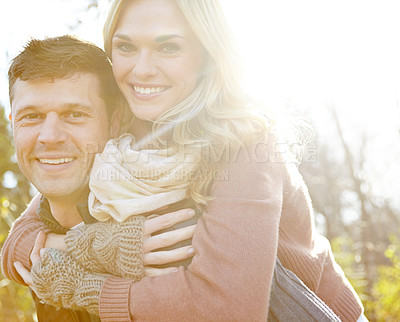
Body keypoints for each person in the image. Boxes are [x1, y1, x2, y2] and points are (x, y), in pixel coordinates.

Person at [2, 0, 365, 321]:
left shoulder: (247, 144)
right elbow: (24, 235)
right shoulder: (125, 126)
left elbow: (227, 308)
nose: (142, 69)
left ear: (207, 53)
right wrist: (93, 245)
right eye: (126, 46)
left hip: (307, 311)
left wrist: (90, 288)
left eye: (168, 47)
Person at [2, 35, 197, 321]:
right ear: (12, 125)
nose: (50, 137)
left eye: (75, 114)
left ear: (115, 121)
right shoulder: (42, 231)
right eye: (31, 116)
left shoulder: (161, 225)